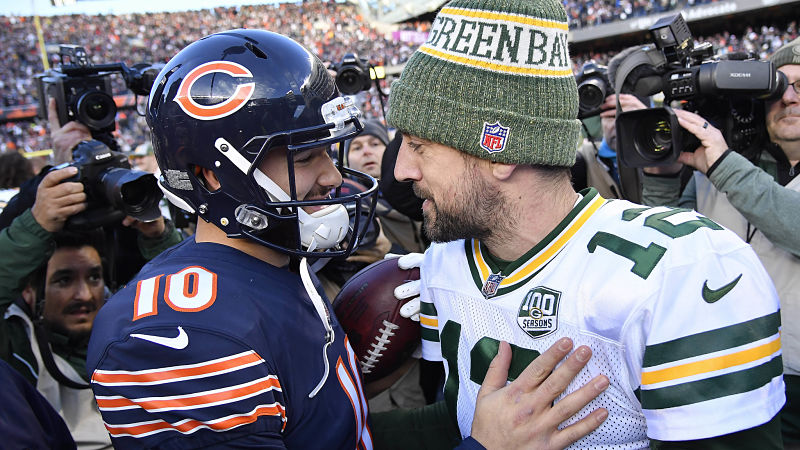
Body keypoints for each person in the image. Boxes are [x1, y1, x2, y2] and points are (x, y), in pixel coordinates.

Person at [87, 28, 609, 449]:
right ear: (212, 175)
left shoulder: (278, 268)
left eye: (328, 151)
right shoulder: (182, 335)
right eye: (304, 156)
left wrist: (456, 419)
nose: (334, 178)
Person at [386, 0, 785, 447]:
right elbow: (462, 420)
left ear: (499, 153)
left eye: (419, 145)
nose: (401, 169)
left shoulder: (684, 268)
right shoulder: (445, 261)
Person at [641, 36, 800, 447]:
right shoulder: (722, 163)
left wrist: (724, 166)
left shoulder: (725, 166)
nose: (790, 98)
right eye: (780, 87)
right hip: (720, 369)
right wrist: (661, 180)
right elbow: (667, 238)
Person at [345, 119, 426, 254]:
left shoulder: (419, 191)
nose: (366, 151)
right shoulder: (349, 207)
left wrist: (388, 251)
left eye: (375, 144)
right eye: (357, 147)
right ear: (347, 161)